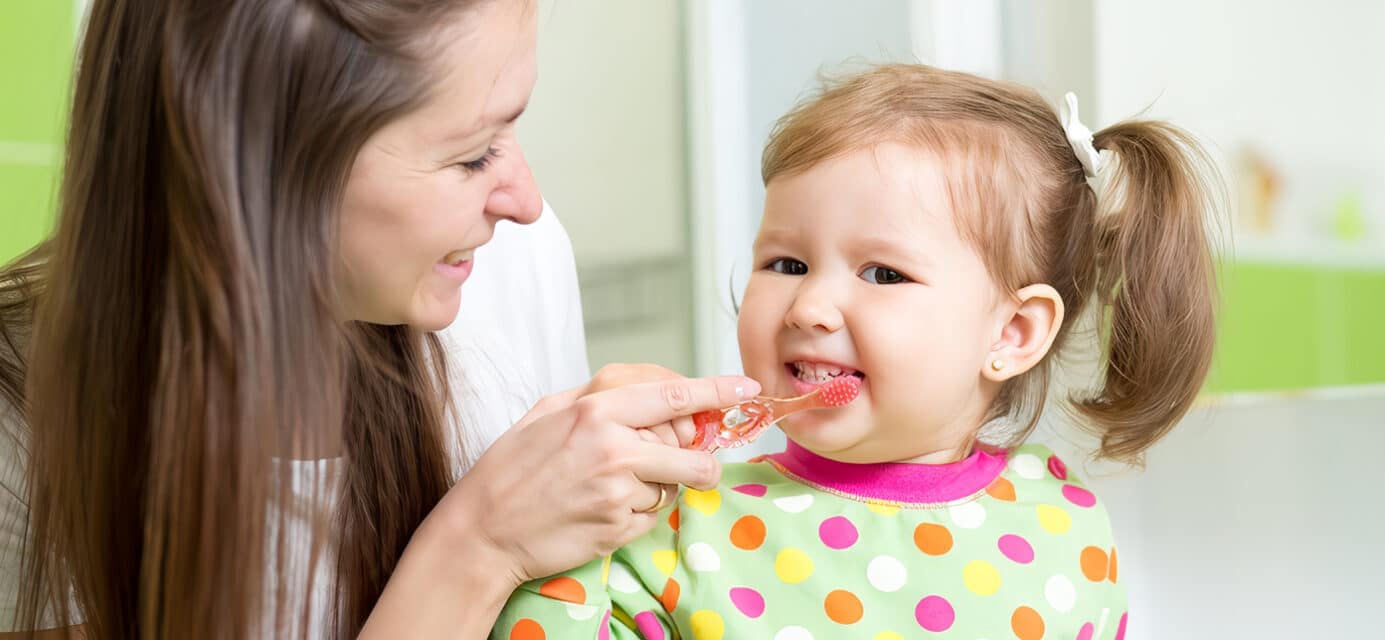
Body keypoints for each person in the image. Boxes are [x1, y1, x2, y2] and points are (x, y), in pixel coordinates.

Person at [0, 1, 759, 638]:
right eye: (472, 155)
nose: (524, 201)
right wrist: (478, 545)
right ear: (257, 172)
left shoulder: (512, 260)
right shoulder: (20, 416)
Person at [491, 63, 1222, 639]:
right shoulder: (684, 522)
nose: (809, 307)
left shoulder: (1064, 524)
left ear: (1012, 334)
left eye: (883, 274)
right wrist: (582, 528)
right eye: (786, 263)